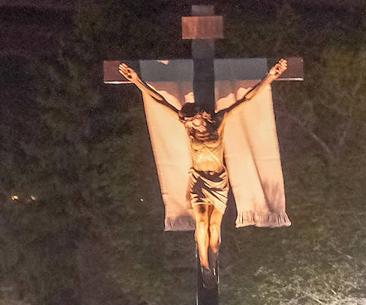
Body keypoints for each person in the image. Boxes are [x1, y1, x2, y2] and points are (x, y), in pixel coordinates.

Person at [117, 58, 288, 280]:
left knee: (214, 224)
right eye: (187, 123)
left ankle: (213, 258)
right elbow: (160, 101)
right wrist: (137, 81)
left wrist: (270, 77)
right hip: (198, 179)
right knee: (200, 221)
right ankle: (204, 265)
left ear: (201, 117)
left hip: (217, 180)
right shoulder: (190, 131)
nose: (190, 126)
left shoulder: (219, 122)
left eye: (192, 122)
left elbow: (246, 99)